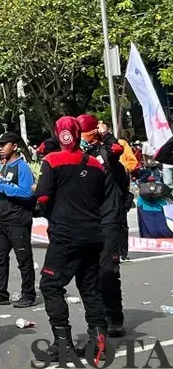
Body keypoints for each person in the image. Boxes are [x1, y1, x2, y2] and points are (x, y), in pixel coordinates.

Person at [35, 116, 109, 365]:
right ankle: (99, 341)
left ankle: (62, 341)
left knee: (50, 285)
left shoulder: (51, 160)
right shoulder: (96, 165)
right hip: (92, 233)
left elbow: (42, 196)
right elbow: (99, 197)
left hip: (65, 234)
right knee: (90, 288)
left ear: (58, 134)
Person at [77, 114, 128, 337]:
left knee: (107, 271)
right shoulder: (80, 156)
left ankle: (114, 316)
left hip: (109, 217)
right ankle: (98, 320)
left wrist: (105, 134)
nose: (80, 137)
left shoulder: (106, 152)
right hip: (87, 219)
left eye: (84, 133)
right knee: (89, 273)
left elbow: (117, 148)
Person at [0, 132, 37, 308]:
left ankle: (28, 294)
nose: (0, 149)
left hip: (18, 219)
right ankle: (0, 292)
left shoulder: (21, 167)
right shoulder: (4, 166)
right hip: (1, 218)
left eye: (3, 145)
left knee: (24, 259)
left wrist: (1, 187)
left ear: (14, 146)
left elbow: (26, 192)